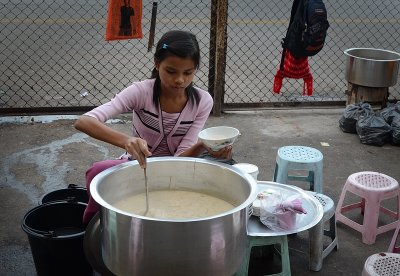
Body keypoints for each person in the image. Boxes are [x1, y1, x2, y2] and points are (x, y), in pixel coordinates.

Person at [74, 30, 233, 225]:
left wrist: (203, 146)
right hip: (138, 166)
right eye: (171, 71)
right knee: (97, 172)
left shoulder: (202, 101)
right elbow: (84, 121)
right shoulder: (140, 92)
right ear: (157, 64)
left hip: (178, 169)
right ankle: (93, 228)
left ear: (195, 70)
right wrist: (126, 140)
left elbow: (181, 158)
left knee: (230, 171)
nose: (180, 80)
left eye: (188, 73)